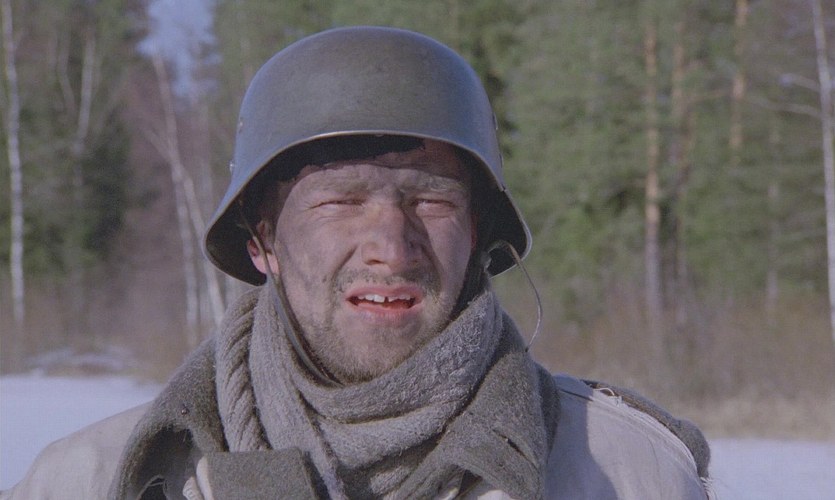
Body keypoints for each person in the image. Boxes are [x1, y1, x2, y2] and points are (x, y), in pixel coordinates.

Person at [2, 26, 712, 499]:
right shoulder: (98, 480)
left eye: (430, 201)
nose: (391, 247)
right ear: (261, 242)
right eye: (341, 202)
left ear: (478, 234)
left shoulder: (625, 474)